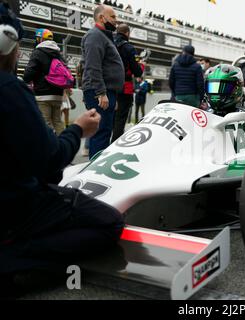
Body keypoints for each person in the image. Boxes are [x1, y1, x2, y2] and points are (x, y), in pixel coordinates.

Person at [0, 2, 124, 297]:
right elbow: (49, 161)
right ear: (8, 43)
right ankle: (13, 257)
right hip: (16, 208)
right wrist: (78, 130)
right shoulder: (10, 90)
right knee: (110, 222)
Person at [81, 4, 124, 159]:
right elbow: (93, 66)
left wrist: (112, 95)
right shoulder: (95, 35)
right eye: (112, 17)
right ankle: (95, 171)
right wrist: (101, 92)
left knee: (104, 131)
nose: (115, 20)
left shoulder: (103, 36)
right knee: (101, 133)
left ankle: (97, 167)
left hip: (107, 91)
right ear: (101, 17)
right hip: (100, 91)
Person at [23, 28, 66, 135]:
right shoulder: (58, 53)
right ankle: (63, 146)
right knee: (58, 121)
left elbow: (28, 75)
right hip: (58, 94)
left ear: (40, 39)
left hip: (42, 95)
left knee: (46, 123)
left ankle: (52, 148)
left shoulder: (38, 52)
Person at [111, 23, 143, 143]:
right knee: (121, 117)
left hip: (109, 86)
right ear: (127, 33)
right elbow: (138, 72)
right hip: (124, 87)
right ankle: (114, 144)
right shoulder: (129, 48)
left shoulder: (110, 44)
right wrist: (141, 65)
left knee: (110, 117)